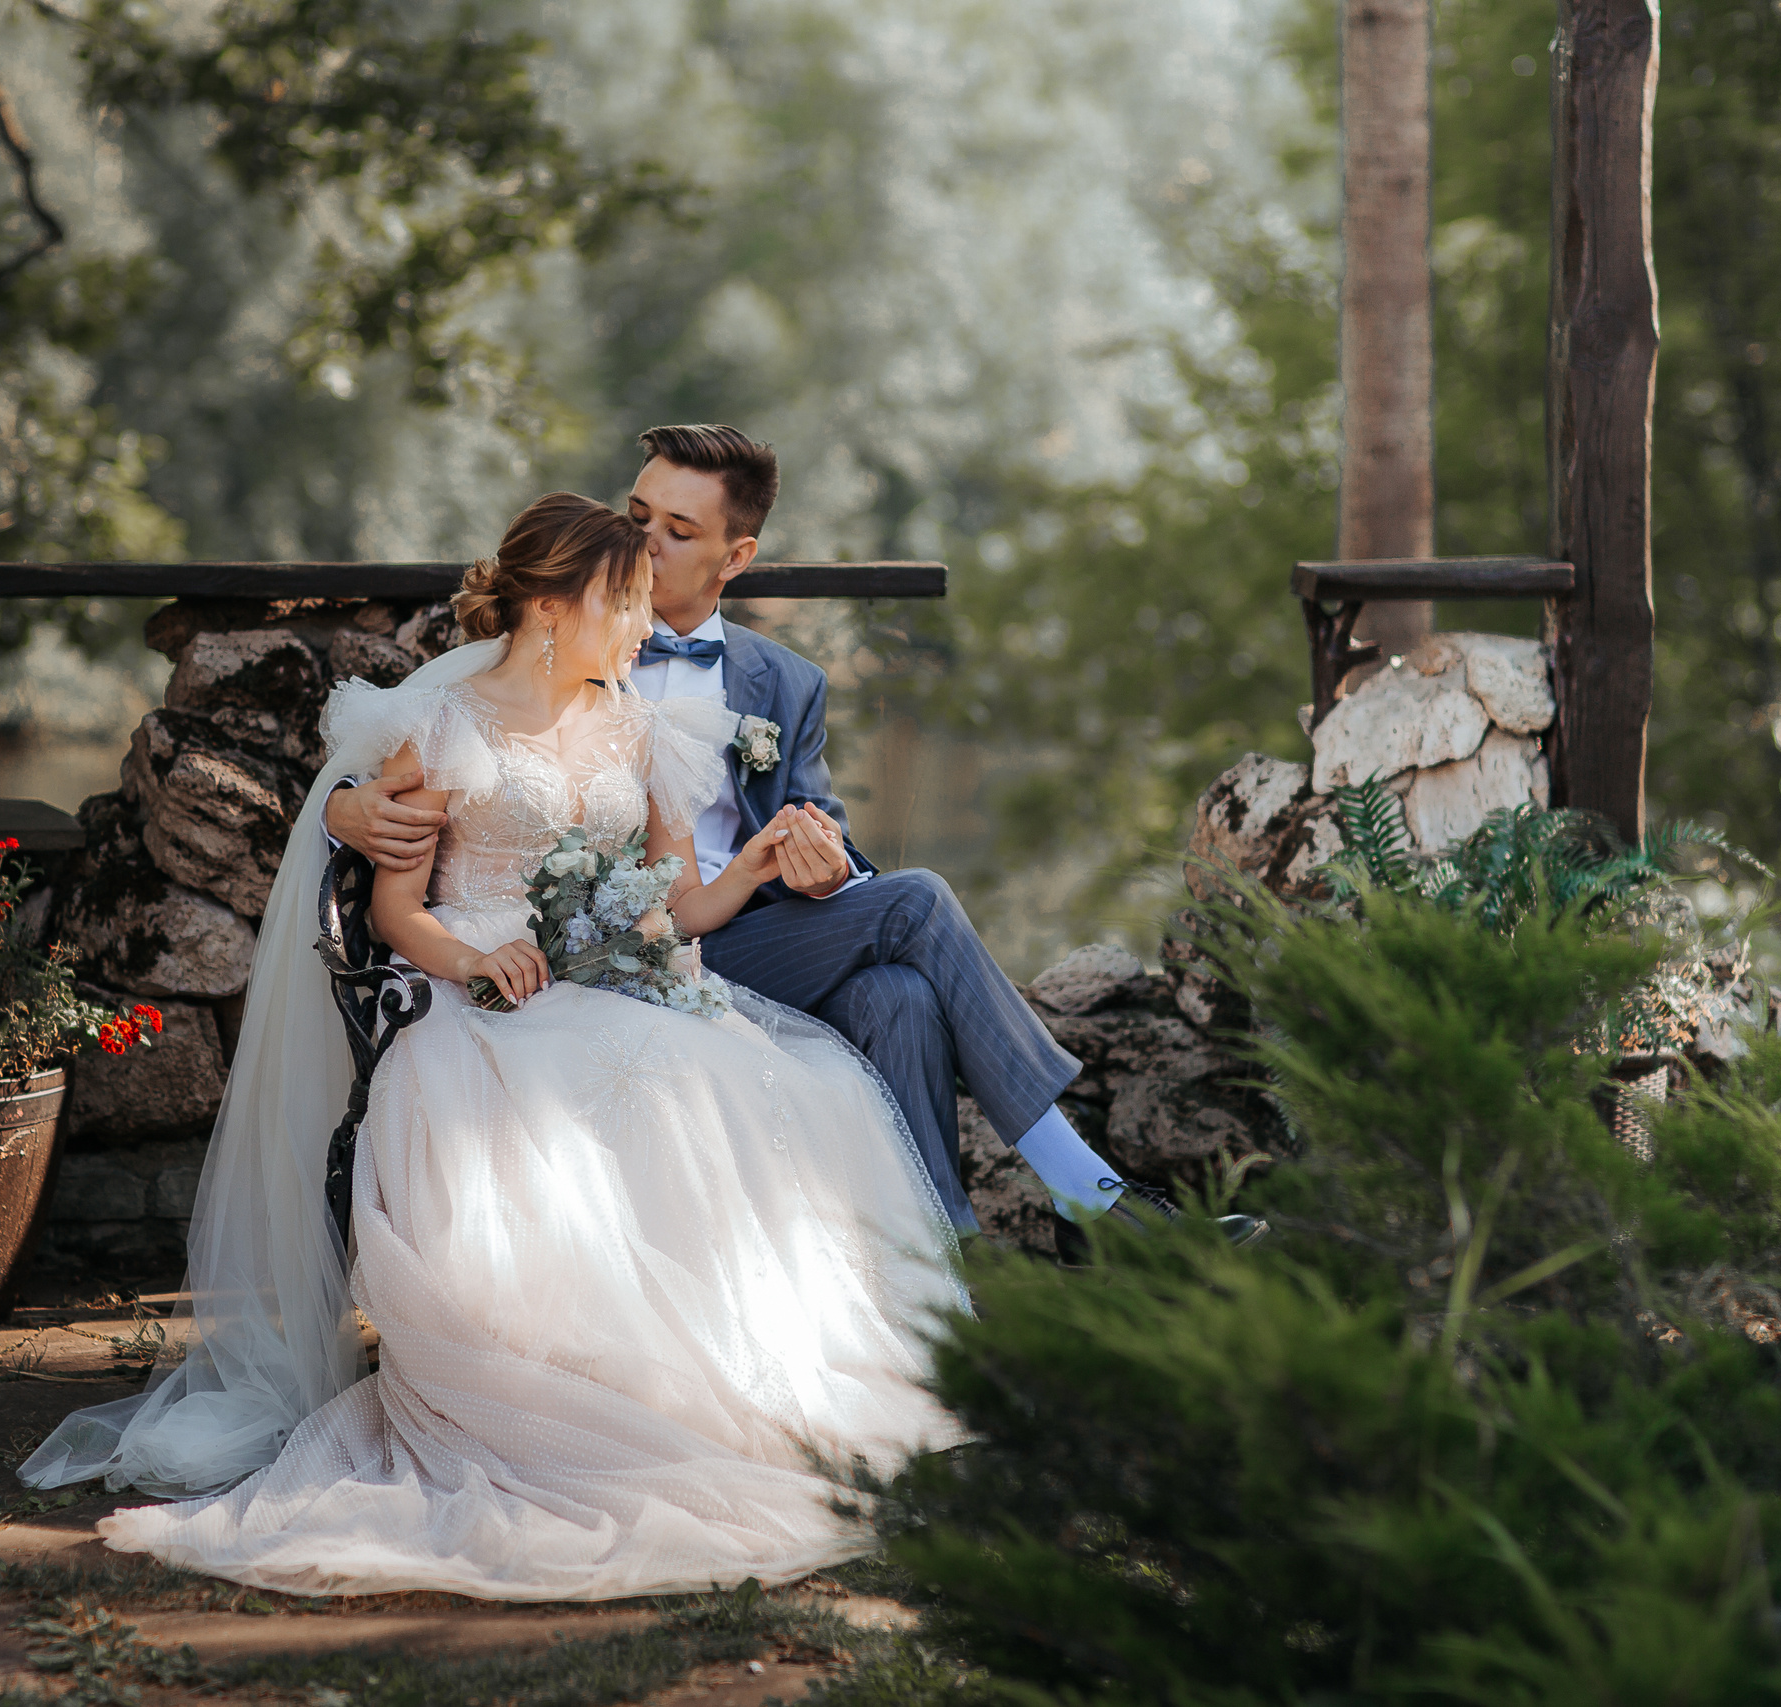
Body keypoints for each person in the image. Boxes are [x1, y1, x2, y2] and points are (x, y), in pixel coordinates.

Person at [21, 493, 968, 1599]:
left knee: (757, 1085)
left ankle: (715, 1384)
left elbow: (673, 910)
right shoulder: (440, 726)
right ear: (556, 606)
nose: (645, 622)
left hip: (601, 981)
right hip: (465, 994)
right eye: (625, 600)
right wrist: (470, 962)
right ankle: (575, 1387)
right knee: (592, 1099)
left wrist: (752, 866)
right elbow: (394, 915)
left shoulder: (637, 725)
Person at [330, 426, 1264, 1246]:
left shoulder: (783, 682)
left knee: (899, 976)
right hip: (600, 954)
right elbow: (414, 754)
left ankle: (959, 1258)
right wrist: (347, 808)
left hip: (725, 929)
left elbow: (827, 841)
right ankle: (1070, 1200)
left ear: (735, 559)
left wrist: (817, 870)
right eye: (639, 513)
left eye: (678, 533)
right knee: (915, 931)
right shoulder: (553, 622)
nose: (644, 545)